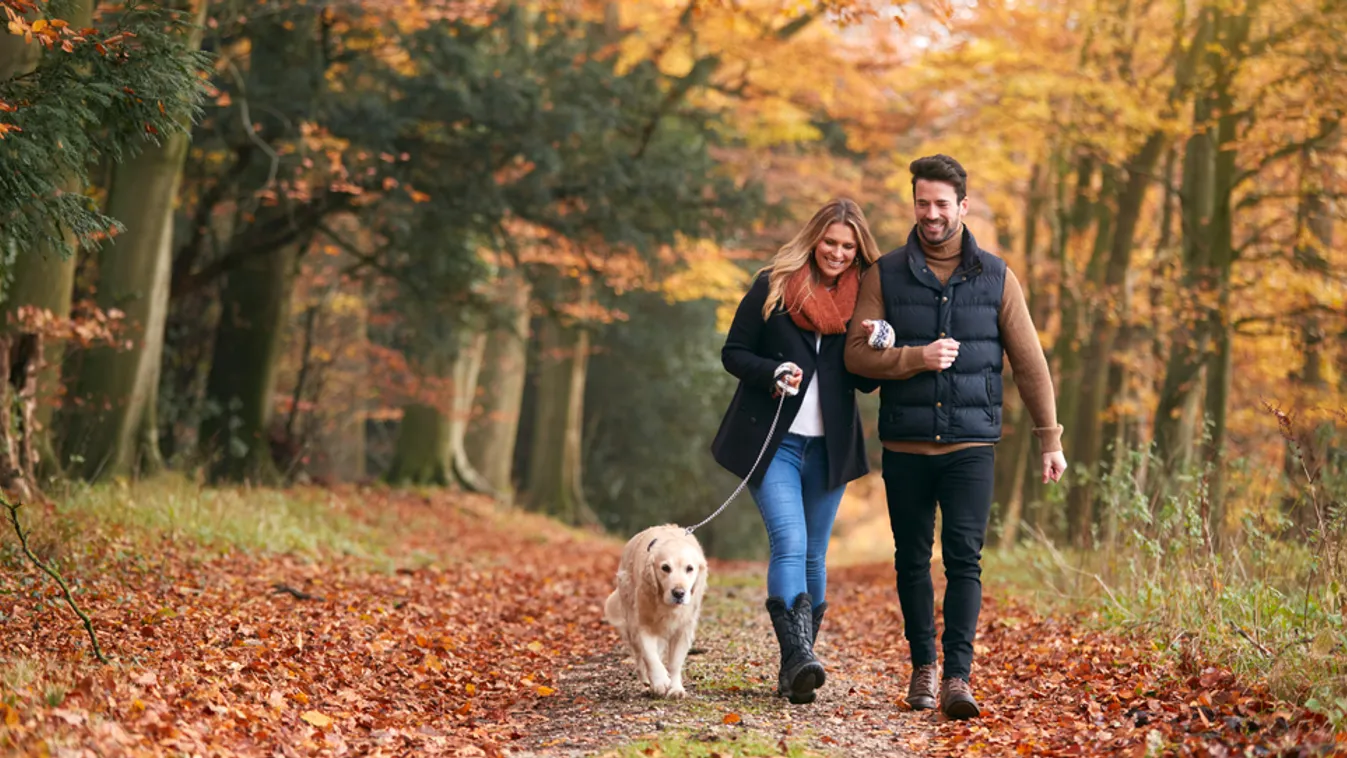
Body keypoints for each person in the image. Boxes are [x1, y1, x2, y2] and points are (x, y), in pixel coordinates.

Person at [844, 155, 1067, 720]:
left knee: (965, 560)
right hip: (906, 446)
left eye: (943, 204)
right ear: (913, 204)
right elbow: (855, 356)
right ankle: (923, 668)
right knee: (912, 561)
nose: (932, 214)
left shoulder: (996, 277)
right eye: (923, 203)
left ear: (963, 207)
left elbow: (1030, 363)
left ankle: (958, 678)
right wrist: (915, 358)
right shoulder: (885, 274)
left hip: (971, 447)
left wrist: (1050, 438)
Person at [710, 198, 882, 705]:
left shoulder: (866, 301)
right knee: (789, 541)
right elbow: (734, 352)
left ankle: (796, 666)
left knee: (814, 553)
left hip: (830, 449)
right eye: (830, 242)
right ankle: (798, 659)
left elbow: (867, 385)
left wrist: (877, 344)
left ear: (858, 251)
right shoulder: (774, 285)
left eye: (848, 247)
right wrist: (772, 372)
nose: (837, 253)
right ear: (814, 239)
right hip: (774, 442)